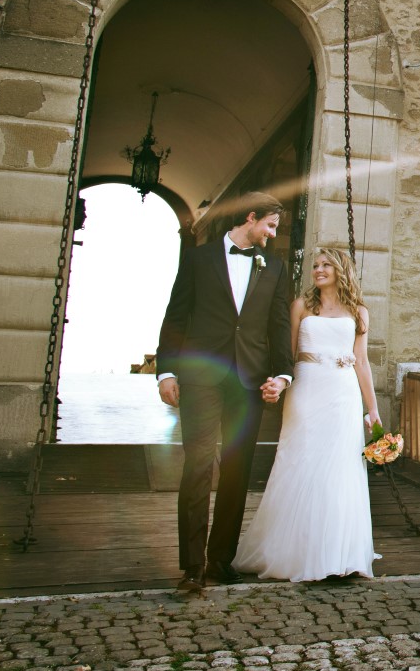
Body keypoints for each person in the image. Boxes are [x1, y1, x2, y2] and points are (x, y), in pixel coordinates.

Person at [155, 192, 293, 593]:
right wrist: (166, 371)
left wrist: (282, 375)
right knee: (197, 466)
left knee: (237, 471)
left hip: (249, 382)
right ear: (250, 218)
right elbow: (176, 316)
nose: (271, 234)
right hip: (200, 379)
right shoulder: (199, 260)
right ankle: (192, 566)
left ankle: (220, 559)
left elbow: (279, 325)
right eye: (269, 226)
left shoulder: (276, 269)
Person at [232, 246, 380, 582]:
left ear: (341, 269)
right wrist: (280, 383)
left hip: (342, 393)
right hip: (307, 387)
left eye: (326, 264)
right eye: (315, 265)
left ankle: (338, 552)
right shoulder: (301, 306)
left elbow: (362, 361)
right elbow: (287, 352)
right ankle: (294, 551)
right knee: (298, 460)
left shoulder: (358, 312)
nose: (318, 269)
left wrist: (371, 409)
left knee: (339, 466)